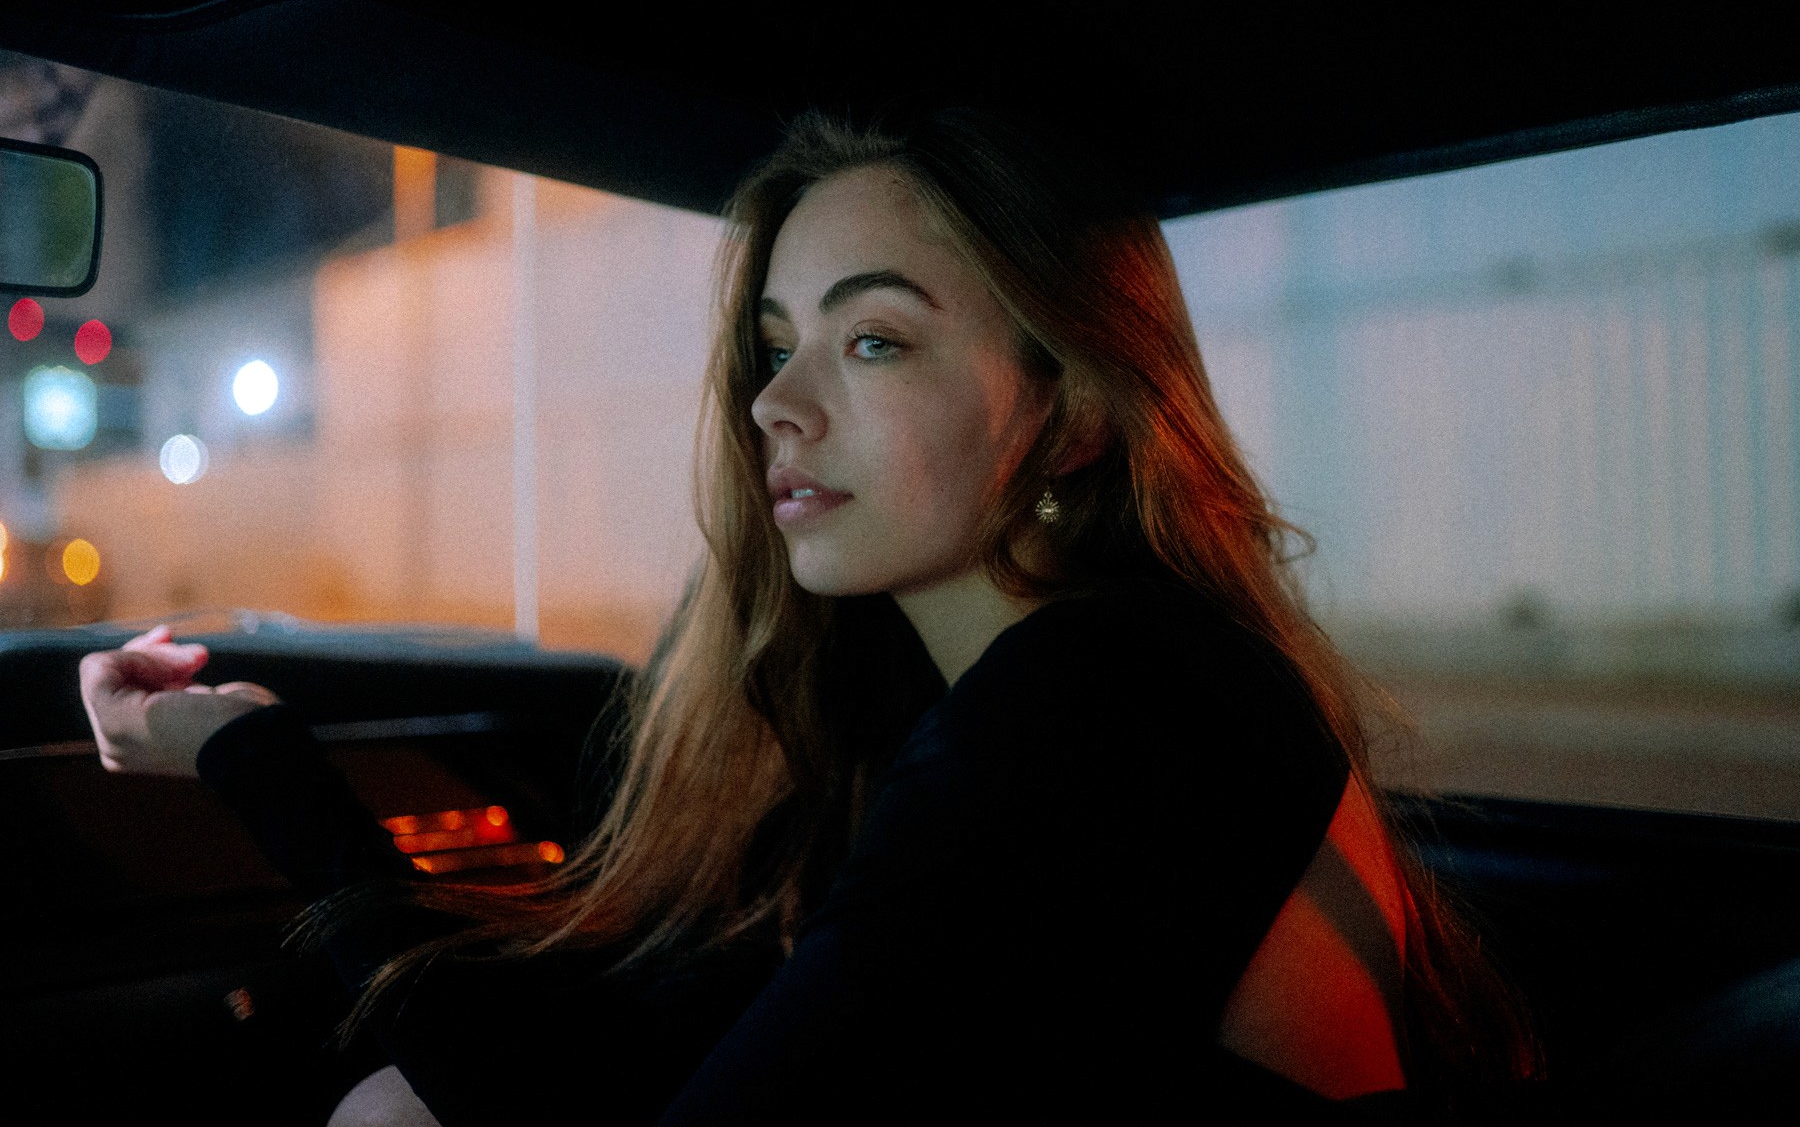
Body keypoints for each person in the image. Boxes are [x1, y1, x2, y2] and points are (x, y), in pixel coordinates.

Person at [80, 109, 1533, 1124]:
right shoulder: (1003, 702)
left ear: (1077, 407)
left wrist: (250, 768)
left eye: (875, 339)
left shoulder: (1103, 700)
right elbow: (657, 1051)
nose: (778, 405)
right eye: (777, 347)